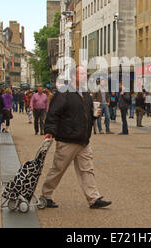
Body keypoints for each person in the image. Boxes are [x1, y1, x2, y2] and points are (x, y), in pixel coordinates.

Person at [41, 66, 112, 209]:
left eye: (86, 74)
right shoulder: (64, 92)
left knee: (87, 169)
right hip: (68, 138)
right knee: (58, 169)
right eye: (83, 74)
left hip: (83, 139)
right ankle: (45, 195)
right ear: (74, 76)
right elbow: (53, 113)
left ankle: (93, 198)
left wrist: (94, 115)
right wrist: (49, 130)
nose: (86, 76)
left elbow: (86, 114)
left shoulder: (85, 94)